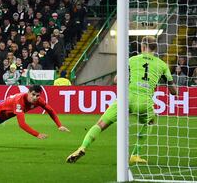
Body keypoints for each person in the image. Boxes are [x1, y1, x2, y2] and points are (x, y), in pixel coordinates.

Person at [66, 36, 178, 164]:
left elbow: (115, 80)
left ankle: (82, 147)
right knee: (150, 122)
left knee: (100, 124)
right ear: (155, 48)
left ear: (142, 46)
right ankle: (135, 154)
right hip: (144, 101)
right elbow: (173, 91)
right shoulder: (162, 65)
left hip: (125, 98)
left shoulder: (132, 60)